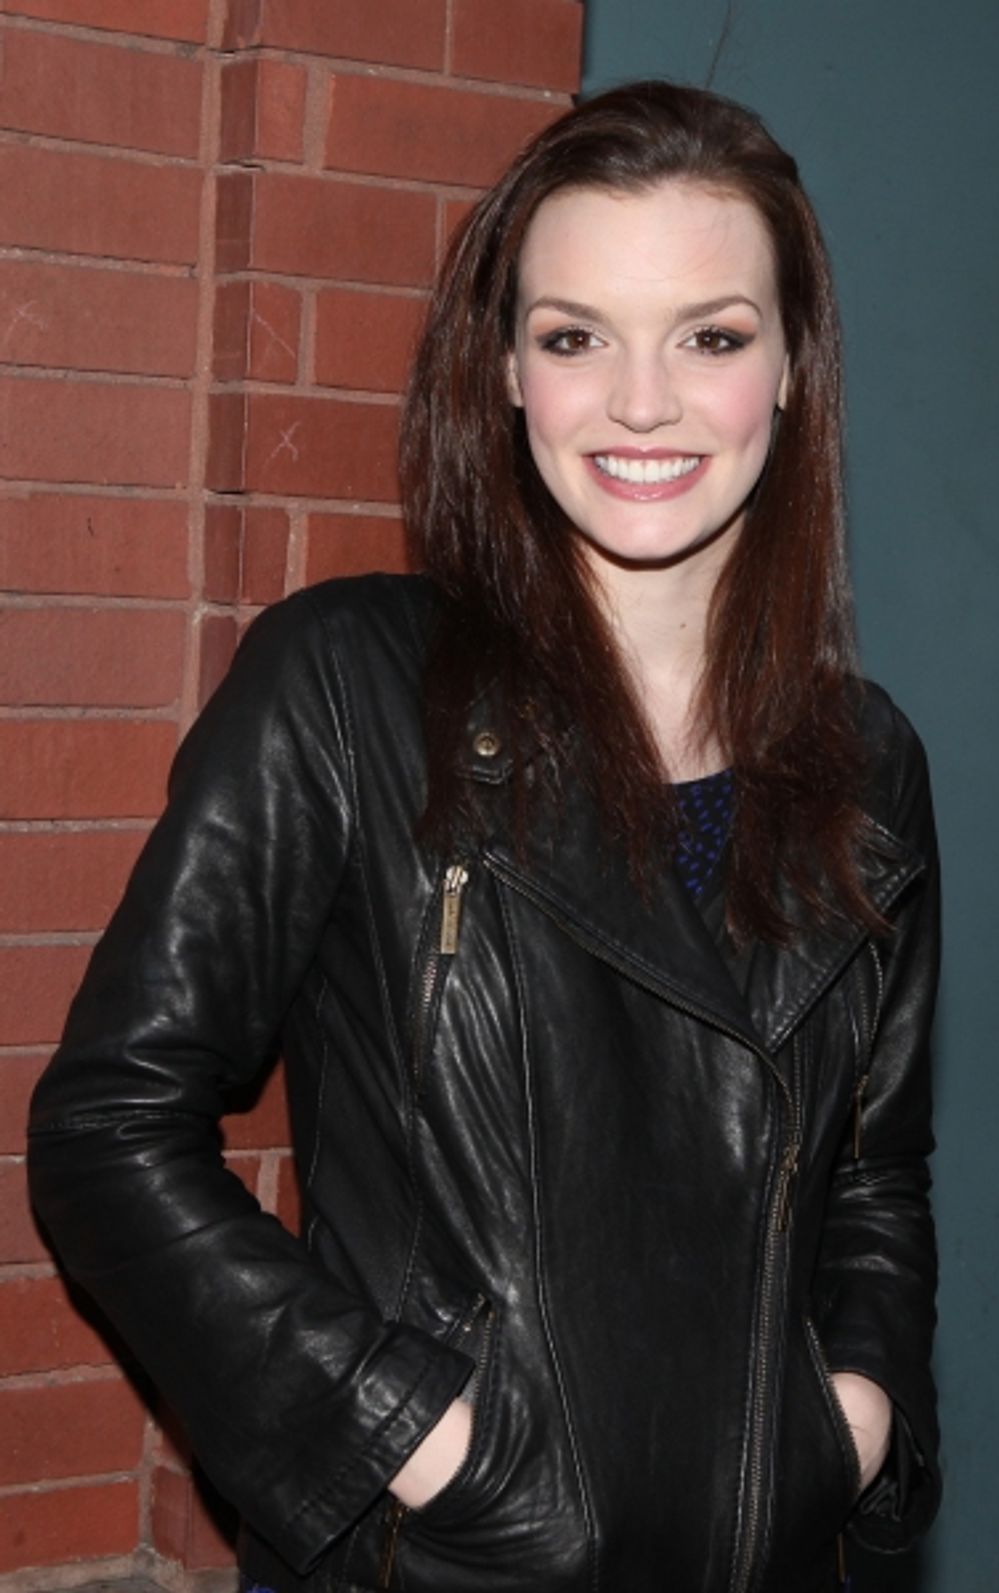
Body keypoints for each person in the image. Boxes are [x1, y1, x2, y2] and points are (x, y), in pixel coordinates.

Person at [28, 80, 940, 1593]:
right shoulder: (349, 688)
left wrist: (846, 1423)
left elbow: (877, 1178)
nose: (640, 401)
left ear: (792, 371)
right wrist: (415, 1433)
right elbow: (109, 1129)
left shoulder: (868, 759)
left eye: (711, 336)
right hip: (441, 1557)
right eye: (575, 335)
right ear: (509, 370)